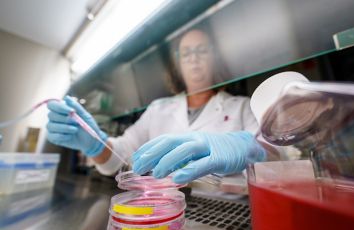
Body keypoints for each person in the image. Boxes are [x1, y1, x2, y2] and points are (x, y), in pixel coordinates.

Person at [46, 23, 263, 176]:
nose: (194, 58)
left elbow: (275, 157)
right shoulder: (158, 109)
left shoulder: (241, 106)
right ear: (178, 64)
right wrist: (95, 144)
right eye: (186, 53)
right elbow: (118, 157)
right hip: (161, 206)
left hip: (225, 212)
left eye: (201, 51)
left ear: (213, 58)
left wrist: (250, 149)